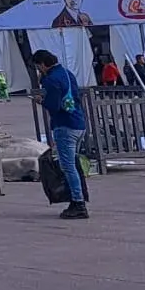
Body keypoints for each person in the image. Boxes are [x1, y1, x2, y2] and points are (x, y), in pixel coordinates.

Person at [33, 49, 88, 220]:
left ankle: (78, 203)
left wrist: (41, 100)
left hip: (64, 126)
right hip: (78, 123)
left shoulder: (51, 80)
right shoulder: (67, 73)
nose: (38, 70)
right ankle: (77, 198)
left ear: (43, 64)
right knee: (73, 165)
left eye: (38, 67)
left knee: (68, 167)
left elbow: (54, 105)